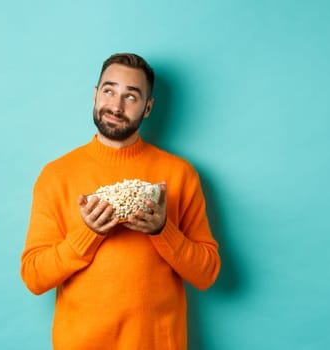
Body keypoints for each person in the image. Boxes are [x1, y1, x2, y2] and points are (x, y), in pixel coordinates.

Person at [20, 53, 221, 349]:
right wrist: (89, 233)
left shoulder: (178, 175)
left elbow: (207, 274)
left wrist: (162, 230)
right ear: (95, 94)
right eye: (109, 91)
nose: (116, 106)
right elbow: (34, 277)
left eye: (131, 96)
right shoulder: (57, 175)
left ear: (148, 107)